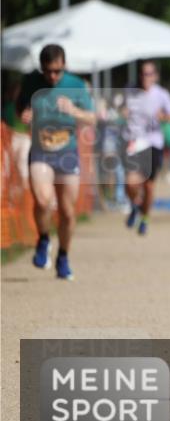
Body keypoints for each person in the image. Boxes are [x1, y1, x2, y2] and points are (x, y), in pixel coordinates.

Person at [15, 44, 96, 280]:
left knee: (67, 212)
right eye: (48, 71)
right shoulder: (31, 82)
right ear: (41, 68)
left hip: (67, 152)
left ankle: (63, 256)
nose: (53, 76)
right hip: (41, 150)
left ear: (64, 66)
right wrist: (24, 115)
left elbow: (92, 118)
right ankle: (43, 239)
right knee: (42, 200)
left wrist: (73, 111)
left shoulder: (76, 85)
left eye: (57, 71)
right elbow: (20, 108)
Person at [123, 61, 170, 236]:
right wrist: (122, 113)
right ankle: (136, 205)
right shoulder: (130, 91)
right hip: (134, 142)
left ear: (155, 76)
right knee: (130, 183)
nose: (145, 77)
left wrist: (164, 116)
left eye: (149, 74)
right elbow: (121, 108)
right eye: (142, 74)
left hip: (153, 143)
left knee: (148, 185)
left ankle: (145, 218)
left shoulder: (161, 94)